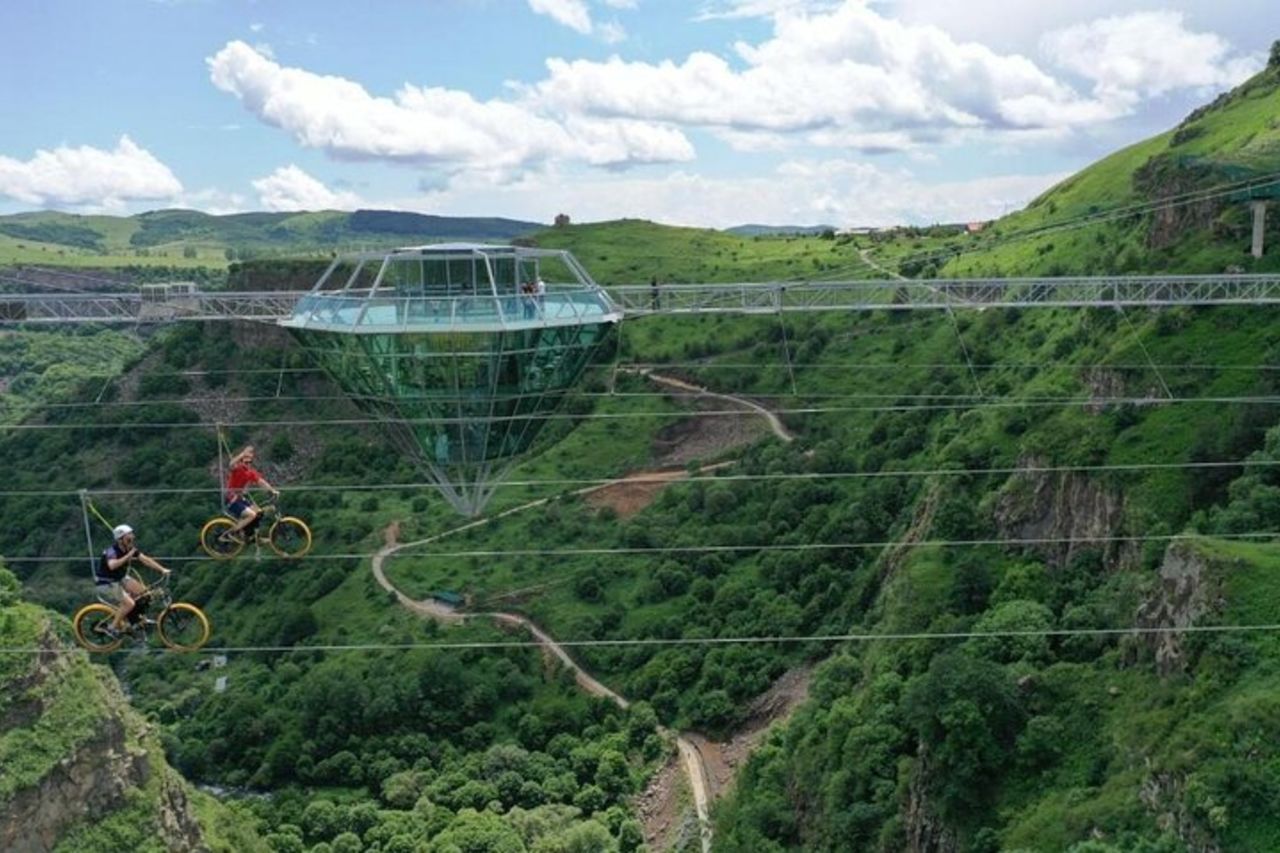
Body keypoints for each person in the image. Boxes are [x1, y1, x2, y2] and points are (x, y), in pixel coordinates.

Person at [95, 524, 170, 633]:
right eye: (128, 536)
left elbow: (145, 560)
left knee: (145, 595)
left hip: (120, 578)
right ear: (120, 540)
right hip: (106, 582)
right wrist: (128, 556)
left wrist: (162, 569)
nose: (132, 538)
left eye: (132, 535)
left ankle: (134, 620)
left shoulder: (129, 549)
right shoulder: (112, 551)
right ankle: (112, 628)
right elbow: (112, 565)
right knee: (129, 603)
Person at [223, 445, 279, 541]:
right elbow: (231, 464)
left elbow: (261, 482)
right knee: (251, 515)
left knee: (259, 512)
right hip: (231, 499)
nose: (248, 464)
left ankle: (250, 536)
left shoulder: (250, 472)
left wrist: (272, 490)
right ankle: (230, 534)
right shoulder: (237, 469)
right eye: (246, 462)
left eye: (250, 462)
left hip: (239, 499)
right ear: (241, 462)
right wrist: (243, 454)